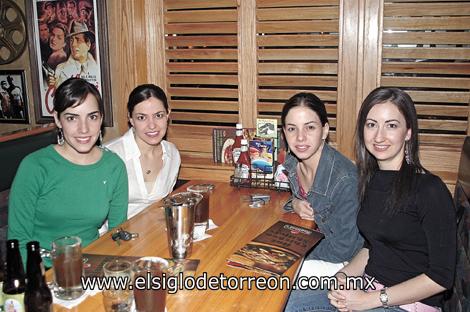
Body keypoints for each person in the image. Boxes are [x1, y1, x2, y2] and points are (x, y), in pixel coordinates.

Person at [306, 87, 456, 312]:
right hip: (368, 288)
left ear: (408, 132)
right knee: (282, 302)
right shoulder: (372, 180)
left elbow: (441, 277)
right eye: (371, 124)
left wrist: (372, 300)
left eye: (391, 125)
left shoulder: (430, 190)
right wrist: (343, 276)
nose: (379, 136)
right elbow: (372, 246)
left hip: (405, 304)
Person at [7, 78, 128, 266]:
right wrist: (41, 286)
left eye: (92, 117)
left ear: (101, 118)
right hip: (43, 270)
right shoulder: (34, 167)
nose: (84, 129)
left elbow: (116, 234)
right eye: (72, 118)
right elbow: (19, 241)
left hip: (92, 266)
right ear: (57, 119)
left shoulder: (114, 166)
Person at [282, 93, 363, 311]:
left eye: (309, 128)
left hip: (347, 265)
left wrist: (292, 252)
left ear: (325, 131)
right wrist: (295, 202)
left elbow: (343, 248)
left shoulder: (345, 179)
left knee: (271, 287)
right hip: (319, 247)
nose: (300, 138)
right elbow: (300, 199)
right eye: (292, 128)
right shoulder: (292, 162)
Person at [104, 84, 180, 222]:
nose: (152, 125)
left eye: (158, 115)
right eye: (141, 117)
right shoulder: (109, 155)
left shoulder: (173, 154)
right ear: (131, 119)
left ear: (168, 114)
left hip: (155, 234)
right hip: (114, 237)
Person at [52, 20, 99, 88]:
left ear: (88, 44)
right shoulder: (60, 70)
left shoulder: (97, 69)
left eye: (78, 39)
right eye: (71, 40)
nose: (73, 44)